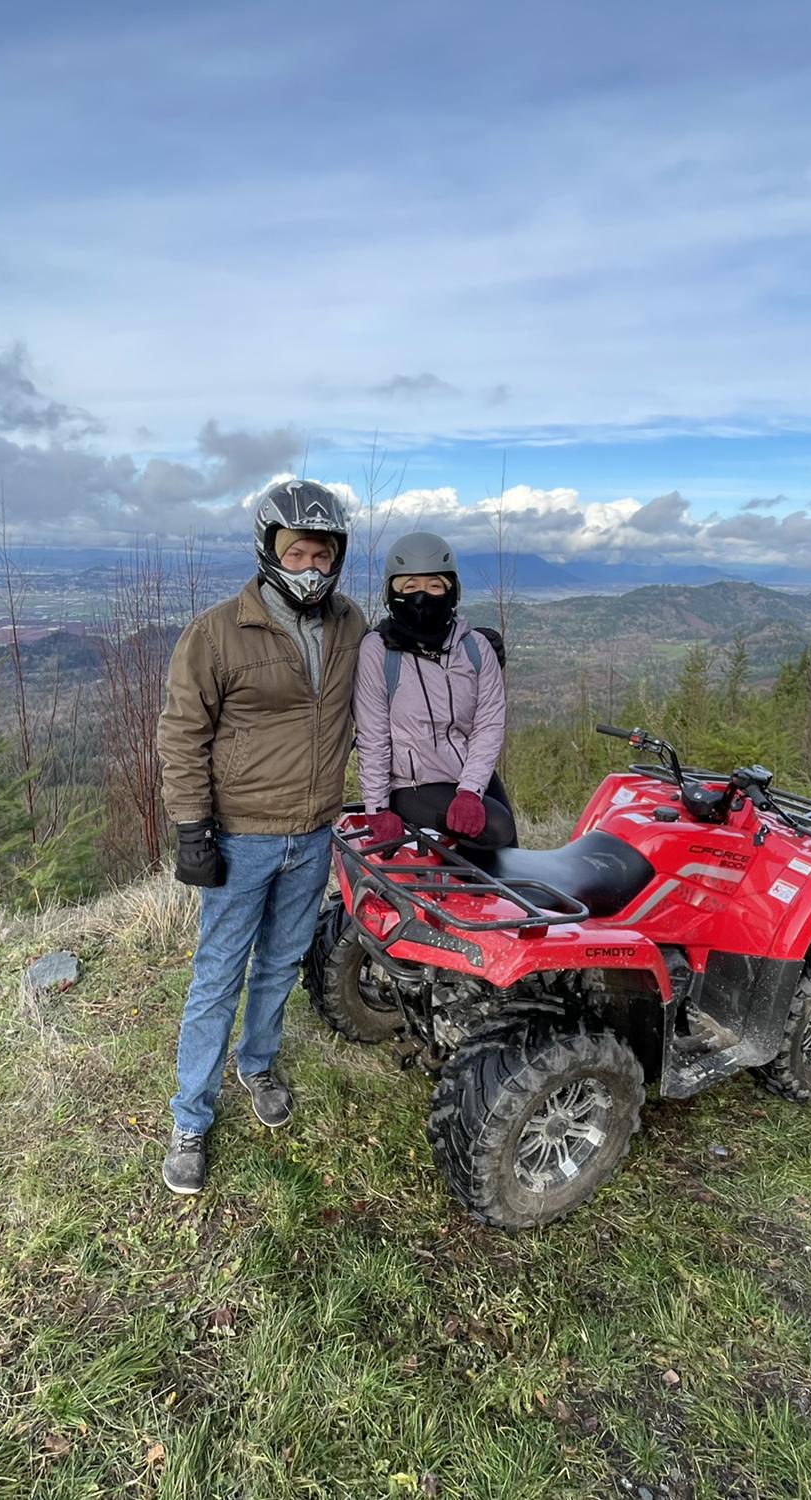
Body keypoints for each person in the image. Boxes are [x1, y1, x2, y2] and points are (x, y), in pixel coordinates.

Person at [154, 478, 367, 1195]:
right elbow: (182, 735)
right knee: (218, 975)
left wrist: (463, 643)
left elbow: (389, 678)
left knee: (279, 964)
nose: (311, 564)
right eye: (297, 550)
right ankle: (191, 1117)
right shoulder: (217, 632)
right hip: (241, 836)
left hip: (313, 834)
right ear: (270, 549)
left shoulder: (350, 625)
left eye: (323, 552)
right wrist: (191, 828)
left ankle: (258, 1063)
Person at [354, 531, 516, 850]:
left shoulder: (475, 648)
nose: (422, 596)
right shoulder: (378, 651)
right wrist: (376, 809)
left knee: (509, 850)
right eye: (409, 586)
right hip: (411, 783)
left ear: (451, 591)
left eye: (434, 585)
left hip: (465, 774)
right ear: (391, 592)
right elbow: (372, 736)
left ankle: (479, 899)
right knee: (497, 829)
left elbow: (488, 725)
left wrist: (470, 790)